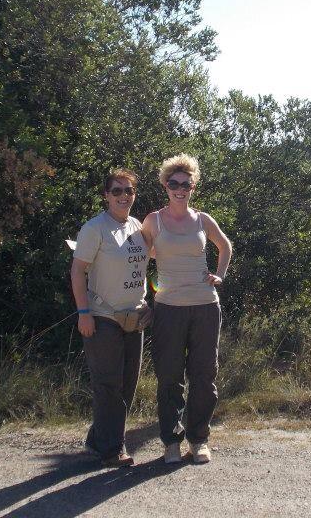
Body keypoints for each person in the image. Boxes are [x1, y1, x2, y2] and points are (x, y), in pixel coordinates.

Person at [140, 153, 232, 465]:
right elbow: (139, 255)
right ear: (165, 185)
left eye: (186, 184)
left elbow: (225, 245)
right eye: (174, 183)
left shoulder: (203, 220)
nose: (180, 188)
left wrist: (220, 274)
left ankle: (199, 440)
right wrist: (141, 293)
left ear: (193, 186)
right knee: (169, 377)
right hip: (168, 307)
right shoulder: (153, 220)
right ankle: (171, 443)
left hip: (206, 306)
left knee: (204, 376)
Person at [70, 168, 149, 467]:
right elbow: (78, 271)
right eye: (117, 191)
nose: (123, 196)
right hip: (103, 316)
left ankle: (97, 438)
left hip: (135, 316)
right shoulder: (94, 228)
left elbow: (145, 269)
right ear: (106, 195)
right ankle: (113, 449)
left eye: (128, 190)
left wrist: (150, 303)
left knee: (128, 383)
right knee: (108, 384)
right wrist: (84, 312)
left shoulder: (137, 226)